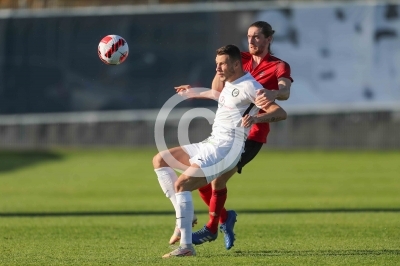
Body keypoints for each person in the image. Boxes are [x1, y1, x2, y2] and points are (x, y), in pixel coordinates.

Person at [153, 44, 287, 258]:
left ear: (236, 64)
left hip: (227, 148)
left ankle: (186, 246)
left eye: (222, 64)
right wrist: (192, 92)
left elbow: (279, 112)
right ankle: (182, 216)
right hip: (212, 142)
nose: (218, 68)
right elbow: (219, 95)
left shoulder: (250, 87)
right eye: (216, 64)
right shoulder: (230, 83)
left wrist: (256, 118)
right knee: (160, 160)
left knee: (182, 184)